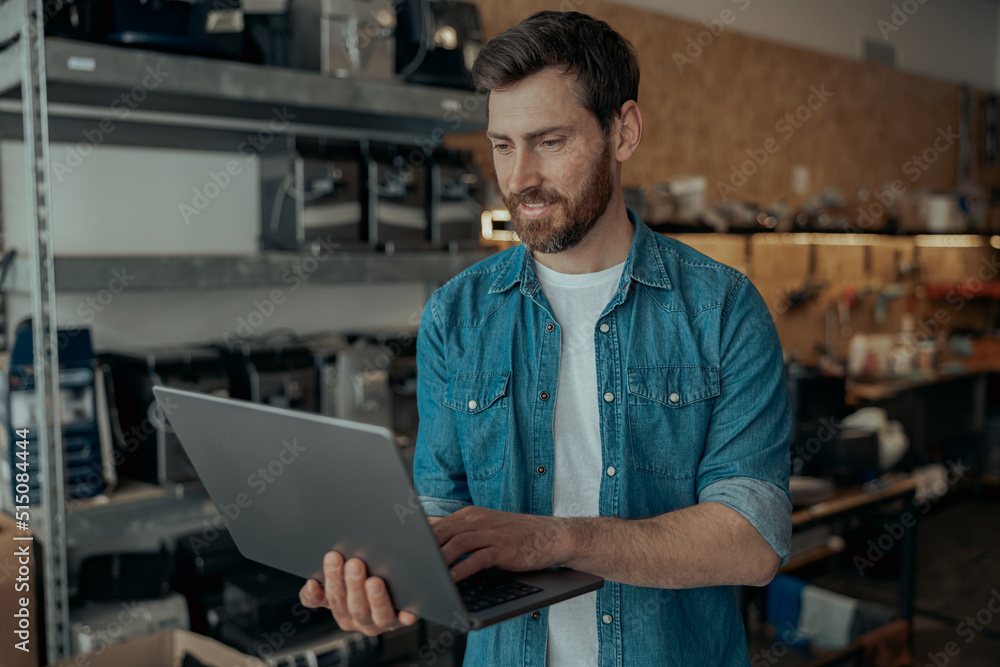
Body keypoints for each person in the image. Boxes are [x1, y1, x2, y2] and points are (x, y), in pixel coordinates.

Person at [300, 10, 792, 665]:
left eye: (549, 141)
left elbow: (751, 538)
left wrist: (554, 539)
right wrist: (382, 576)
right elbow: (441, 510)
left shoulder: (722, 308)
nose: (520, 178)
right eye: (503, 145)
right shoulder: (458, 312)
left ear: (624, 131)